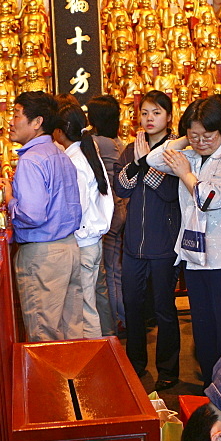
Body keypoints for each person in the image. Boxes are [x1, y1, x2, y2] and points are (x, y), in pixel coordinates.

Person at [147, 97, 221, 386]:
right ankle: (211, 392)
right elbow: (153, 159)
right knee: (204, 333)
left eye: (208, 135)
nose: (201, 141)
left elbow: (210, 199)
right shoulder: (192, 152)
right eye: (194, 135)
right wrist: (187, 137)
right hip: (197, 257)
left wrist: (185, 173)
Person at [2, 91, 82, 342]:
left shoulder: (32, 160)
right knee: (71, 330)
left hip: (43, 256)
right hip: (69, 248)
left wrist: (9, 199)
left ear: (36, 122)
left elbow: (32, 215)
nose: (10, 122)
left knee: (44, 334)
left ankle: (52, 383)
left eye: (16, 116)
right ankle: (73, 382)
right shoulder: (60, 154)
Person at [115, 91, 181, 390]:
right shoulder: (131, 149)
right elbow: (122, 187)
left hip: (164, 244)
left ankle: (168, 369)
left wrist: (148, 165)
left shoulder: (177, 149)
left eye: (156, 112)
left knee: (165, 309)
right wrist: (140, 163)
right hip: (133, 244)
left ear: (168, 116)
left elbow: (169, 192)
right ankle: (135, 363)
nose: (149, 118)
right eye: (144, 113)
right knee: (133, 305)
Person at [53, 97, 113, 339]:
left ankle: (94, 357)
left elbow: (77, 207)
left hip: (84, 241)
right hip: (94, 240)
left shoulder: (75, 161)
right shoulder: (86, 152)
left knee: (84, 306)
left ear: (59, 132)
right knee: (88, 302)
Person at [87, 95, 126, 335]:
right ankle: (121, 317)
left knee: (110, 271)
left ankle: (118, 319)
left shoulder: (97, 142)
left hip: (109, 212)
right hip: (120, 209)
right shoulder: (116, 140)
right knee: (115, 268)